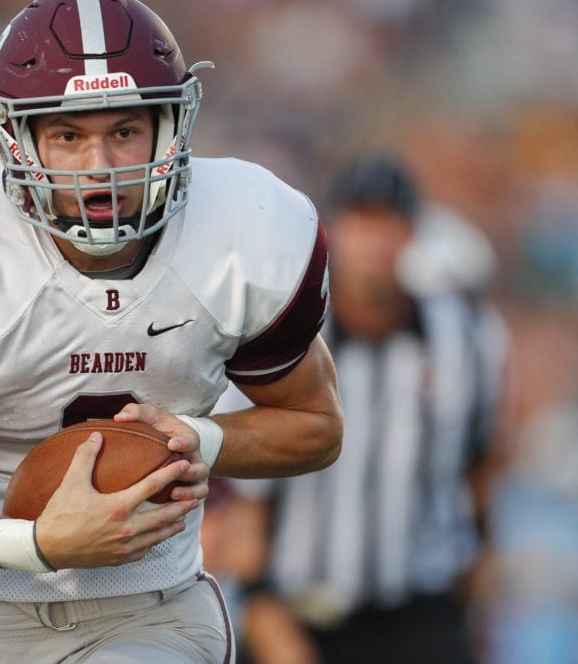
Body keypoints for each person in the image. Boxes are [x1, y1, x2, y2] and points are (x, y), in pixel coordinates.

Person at [0, 0, 342, 662]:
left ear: (172, 128)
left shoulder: (245, 229)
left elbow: (315, 424)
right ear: (16, 139)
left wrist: (201, 438)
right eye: (68, 135)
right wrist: (38, 543)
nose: (98, 169)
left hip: (150, 607)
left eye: (125, 132)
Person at [216, 152, 509, 664]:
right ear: (332, 232)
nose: (373, 244)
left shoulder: (468, 336)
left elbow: (481, 465)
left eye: (387, 224)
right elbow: (245, 499)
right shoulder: (288, 331)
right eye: (359, 223)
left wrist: (475, 588)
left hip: (422, 609)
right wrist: (264, 612)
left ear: (412, 234)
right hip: (301, 610)